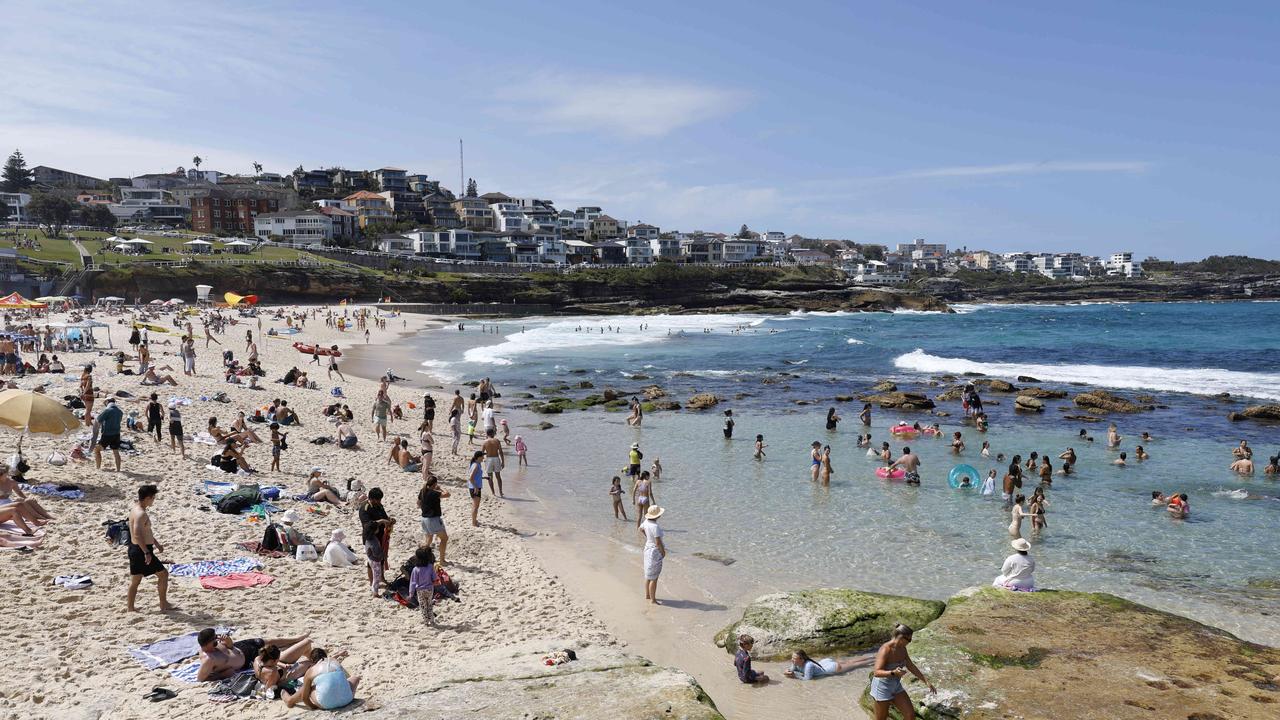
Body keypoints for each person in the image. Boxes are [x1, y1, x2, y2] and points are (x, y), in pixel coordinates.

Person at [196, 629, 311, 683]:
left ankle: (296, 639)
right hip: (248, 660)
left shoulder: (214, 646)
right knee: (276, 655)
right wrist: (222, 675)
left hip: (241, 647)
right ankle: (303, 647)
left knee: (268, 641)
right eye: (214, 640)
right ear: (207, 644)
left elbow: (230, 647)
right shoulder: (208, 660)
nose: (217, 640)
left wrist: (228, 642)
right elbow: (201, 678)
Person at [870, 624, 934, 719]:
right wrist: (893, 673)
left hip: (896, 687)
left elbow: (911, 666)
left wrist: (926, 681)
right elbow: (876, 672)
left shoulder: (902, 649)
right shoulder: (885, 649)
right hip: (882, 689)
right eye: (908, 640)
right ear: (900, 636)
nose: (909, 642)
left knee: (910, 715)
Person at [126, 484, 171, 612]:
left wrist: (156, 543)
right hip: (142, 550)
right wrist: (146, 552)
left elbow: (146, 531)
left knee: (135, 580)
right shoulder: (141, 514)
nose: (154, 500)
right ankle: (163, 605)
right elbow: (137, 534)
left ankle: (130, 608)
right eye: (153, 498)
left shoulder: (135, 509)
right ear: (148, 498)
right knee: (163, 574)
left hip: (134, 549)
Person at [284, 647, 360, 710]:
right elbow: (346, 678)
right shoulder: (334, 661)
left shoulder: (311, 670)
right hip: (347, 699)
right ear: (325, 656)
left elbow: (305, 698)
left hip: (326, 704)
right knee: (355, 678)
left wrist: (314, 707)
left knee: (309, 688)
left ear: (312, 661)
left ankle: (290, 701)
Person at [359, 488, 394, 597]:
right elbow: (367, 525)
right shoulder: (364, 508)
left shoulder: (379, 505)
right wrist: (382, 521)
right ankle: (372, 582)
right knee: (373, 560)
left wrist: (389, 520)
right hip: (371, 537)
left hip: (381, 536)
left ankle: (381, 578)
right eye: (377, 500)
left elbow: (384, 516)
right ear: (371, 499)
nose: (379, 502)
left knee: (382, 557)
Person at [418, 475, 449, 564]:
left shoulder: (422, 491)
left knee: (428, 541)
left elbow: (418, 503)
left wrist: (426, 509)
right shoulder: (433, 493)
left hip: (424, 519)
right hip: (433, 520)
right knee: (444, 539)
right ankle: (442, 560)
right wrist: (441, 488)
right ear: (434, 484)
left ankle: (420, 557)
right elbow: (447, 494)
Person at [640, 505, 666, 604]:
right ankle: (653, 599)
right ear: (658, 516)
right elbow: (658, 542)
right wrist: (663, 552)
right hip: (654, 551)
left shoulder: (646, 522)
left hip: (647, 549)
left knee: (648, 574)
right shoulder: (655, 527)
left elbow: (641, 529)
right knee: (654, 577)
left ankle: (647, 594)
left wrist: (648, 537)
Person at [782, 649, 863, 680]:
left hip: (833, 668)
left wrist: (795, 676)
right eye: (792, 658)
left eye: (794, 658)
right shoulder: (795, 663)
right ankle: (871, 657)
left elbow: (807, 679)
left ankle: (872, 659)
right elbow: (791, 670)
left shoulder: (808, 665)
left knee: (856, 664)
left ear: (802, 660)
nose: (792, 660)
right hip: (824, 663)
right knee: (850, 661)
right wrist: (786, 671)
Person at [408, 547, 439, 626]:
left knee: (423, 606)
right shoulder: (430, 567)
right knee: (429, 604)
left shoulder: (416, 569)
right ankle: (432, 620)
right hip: (429, 589)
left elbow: (413, 582)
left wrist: (411, 594)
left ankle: (426, 622)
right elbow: (435, 578)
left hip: (420, 590)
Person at [94, 398, 124, 471]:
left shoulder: (107, 410)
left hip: (107, 434)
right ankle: (118, 469)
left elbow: (98, 419)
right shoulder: (120, 411)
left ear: (107, 402)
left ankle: (98, 468)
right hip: (117, 433)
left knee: (97, 450)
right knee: (116, 451)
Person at [482, 427, 506, 497]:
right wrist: (503, 462)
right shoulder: (497, 441)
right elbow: (501, 452)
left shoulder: (485, 442)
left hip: (489, 459)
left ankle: (493, 492)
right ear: (493, 433)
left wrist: (483, 459)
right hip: (496, 458)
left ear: (487, 434)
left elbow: (482, 453)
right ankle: (501, 492)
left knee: (490, 477)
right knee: (498, 476)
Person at [466, 450, 484, 527]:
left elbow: (476, 476)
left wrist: (485, 478)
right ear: (478, 457)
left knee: (475, 505)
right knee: (475, 506)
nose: (483, 457)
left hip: (474, 487)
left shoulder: (476, 464)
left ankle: (474, 520)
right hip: (475, 488)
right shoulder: (476, 465)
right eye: (482, 456)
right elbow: (471, 478)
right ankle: (473, 522)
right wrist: (476, 487)